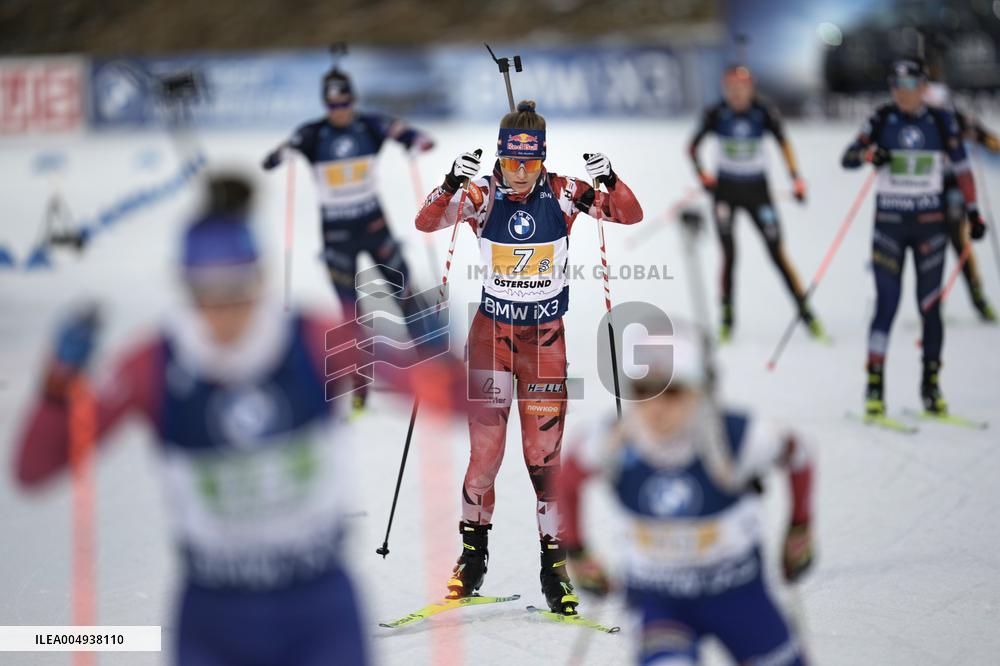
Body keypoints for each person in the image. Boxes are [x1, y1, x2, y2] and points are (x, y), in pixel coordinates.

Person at [13, 175, 459, 665]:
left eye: (237, 292)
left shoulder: (315, 340)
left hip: (319, 613)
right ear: (184, 286)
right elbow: (34, 470)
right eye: (207, 295)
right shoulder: (153, 365)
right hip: (214, 620)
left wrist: (437, 355)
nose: (223, 314)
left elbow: (458, 402)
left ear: (260, 279)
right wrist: (57, 385)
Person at [414, 100, 643, 615]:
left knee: (544, 463)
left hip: (543, 348)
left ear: (543, 158)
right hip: (490, 344)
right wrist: (450, 183)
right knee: (485, 459)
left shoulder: (563, 194)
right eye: (513, 163)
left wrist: (610, 178)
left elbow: (629, 214)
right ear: (500, 156)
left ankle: (554, 570)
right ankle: (472, 560)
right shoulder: (483, 194)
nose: (520, 174)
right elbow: (426, 222)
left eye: (531, 164)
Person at [558, 318, 814, 665]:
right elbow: (568, 478)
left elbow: (798, 456)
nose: (656, 407)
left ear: (699, 390)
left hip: (738, 596)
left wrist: (799, 527)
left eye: (672, 391)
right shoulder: (614, 441)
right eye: (643, 391)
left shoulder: (737, 437)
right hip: (660, 602)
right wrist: (577, 548)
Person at [262, 64, 437, 393]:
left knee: (404, 289)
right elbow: (274, 157)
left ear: (353, 101)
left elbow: (409, 134)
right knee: (348, 308)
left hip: (374, 225)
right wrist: (279, 156)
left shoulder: (370, 124)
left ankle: (429, 360)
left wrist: (418, 142)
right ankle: (359, 379)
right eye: (332, 107)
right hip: (336, 235)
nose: (339, 112)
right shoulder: (312, 133)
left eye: (344, 105)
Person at [841, 58, 986, 418]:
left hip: (930, 228)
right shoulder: (880, 118)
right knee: (886, 306)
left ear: (923, 87)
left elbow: (964, 167)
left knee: (930, 307)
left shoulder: (940, 120)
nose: (902, 93)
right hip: (889, 227)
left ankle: (931, 387)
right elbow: (847, 157)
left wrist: (973, 212)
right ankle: (874, 388)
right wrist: (870, 154)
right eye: (897, 86)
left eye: (910, 86)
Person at [688, 65, 825, 343]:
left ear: (751, 88)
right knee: (729, 255)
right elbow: (692, 147)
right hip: (725, 193)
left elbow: (784, 143)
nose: (737, 94)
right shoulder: (716, 113)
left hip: (757, 192)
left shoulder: (763, 112)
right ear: (725, 89)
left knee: (777, 254)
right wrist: (702, 174)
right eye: (731, 89)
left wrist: (796, 178)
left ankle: (806, 314)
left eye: (742, 88)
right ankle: (727, 319)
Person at [924, 56, 999, 322]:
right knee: (930, 247)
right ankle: (931, 304)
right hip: (925, 190)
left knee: (959, 240)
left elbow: (984, 136)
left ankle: (979, 300)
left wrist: (985, 139)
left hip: (952, 185)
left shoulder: (953, 114)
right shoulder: (914, 115)